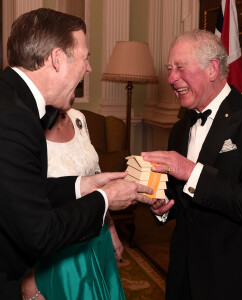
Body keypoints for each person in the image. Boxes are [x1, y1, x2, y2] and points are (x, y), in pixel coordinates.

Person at [0, 8, 154, 300]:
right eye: (85, 57)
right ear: (57, 59)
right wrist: (107, 198)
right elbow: (40, 234)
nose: (89, 68)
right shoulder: (14, 118)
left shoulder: (12, 100)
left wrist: (83, 185)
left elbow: (20, 191)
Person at [142, 29, 242, 300]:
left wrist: (189, 171)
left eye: (180, 68)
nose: (171, 78)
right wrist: (162, 206)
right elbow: (183, 199)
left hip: (240, 282)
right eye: (169, 69)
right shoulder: (179, 129)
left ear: (212, 69)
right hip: (184, 279)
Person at [22, 101, 126, 299]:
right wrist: (28, 280)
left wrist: (111, 228)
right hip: (61, 252)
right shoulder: (25, 126)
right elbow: (20, 211)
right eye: (79, 67)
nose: (87, 69)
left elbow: (95, 177)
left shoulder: (78, 117)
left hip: (98, 235)